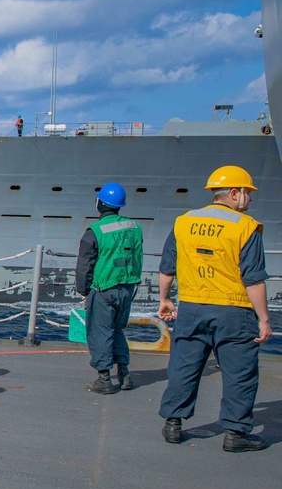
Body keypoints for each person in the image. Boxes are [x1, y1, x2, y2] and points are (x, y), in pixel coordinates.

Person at [157, 165, 273, 452]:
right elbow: (253, 277)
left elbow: (167, 266)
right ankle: (235, 433)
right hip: (234, 311)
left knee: (184, 366)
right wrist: (264, 319)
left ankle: (173, 424)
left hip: (192, 307)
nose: (250, 199)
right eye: (247, 193)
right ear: (234, 193)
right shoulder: (246, 227)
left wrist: (165, 299)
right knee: (240, 373)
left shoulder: (183, 222)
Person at [75, 182, 143, 394]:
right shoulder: (134, 227)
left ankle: (104, 379)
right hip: (127, 289)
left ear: (99, 204)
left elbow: (85, 265)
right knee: (117, 330)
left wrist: (84, 290)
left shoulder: (94, 231)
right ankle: (125, 374)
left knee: (100, 332)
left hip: (104, 288)